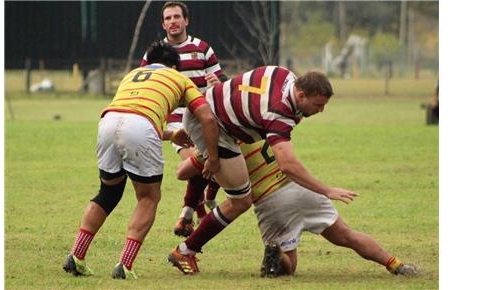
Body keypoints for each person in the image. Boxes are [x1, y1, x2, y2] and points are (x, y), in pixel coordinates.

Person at [167, 66, 358, 275]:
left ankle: (187, 219)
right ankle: (185, 250)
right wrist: (326, 190)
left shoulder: (284, 74)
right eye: (318, 105)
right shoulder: (277, 116)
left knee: (212, 169)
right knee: (238, 200)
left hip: (212, 112)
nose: (321, 110)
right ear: (301, 95)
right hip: (211, 123)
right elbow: (287, 165)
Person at [62, 41, 220, 280]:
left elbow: (128, 117)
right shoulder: (179, 78)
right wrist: (213, 158)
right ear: (175, 66)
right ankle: (124, 265)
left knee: (107, 193)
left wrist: (170, 134)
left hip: (108, 122)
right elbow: (207, 118)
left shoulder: (132, 74)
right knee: (148, 197)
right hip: (141, 125)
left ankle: (76, 255)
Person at [175, 140, 418, 277]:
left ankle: (276, 255)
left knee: (288, 267)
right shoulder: (259, 124)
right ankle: (395, 264)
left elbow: (183, 172)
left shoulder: (218, 138)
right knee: (347, 235)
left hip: (271, 202)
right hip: (302, 189)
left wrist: (199, 154)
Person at [140, 1, 226, 237]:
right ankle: (191, 211)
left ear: (186, 20)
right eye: (168, 18)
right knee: (196, 163)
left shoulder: (202, 48)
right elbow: (144, 83)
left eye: (177, 17)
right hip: (176, 119)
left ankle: (195, 208)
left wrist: (218, 83)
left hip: (203, 116)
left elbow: (222, 81)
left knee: (217, 156)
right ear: (163, 23)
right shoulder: (154, 54)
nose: (173, 21)